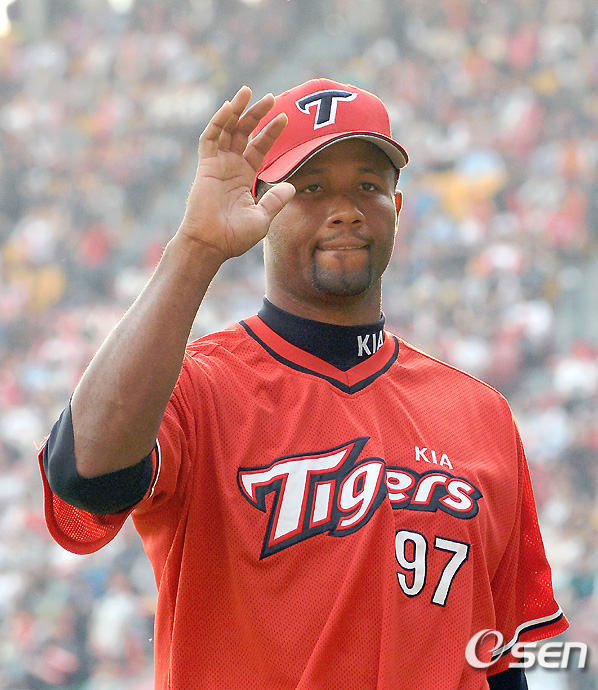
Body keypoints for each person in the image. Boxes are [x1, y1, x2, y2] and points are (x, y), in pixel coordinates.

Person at [38, 78, 568, 689]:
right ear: (263, 206)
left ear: (397, 209)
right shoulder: (196, 386)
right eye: (311, 188)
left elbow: (498, 659)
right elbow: (84, 474)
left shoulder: (480, 412)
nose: (345, 209)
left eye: (368, 186)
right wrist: (197, 248)